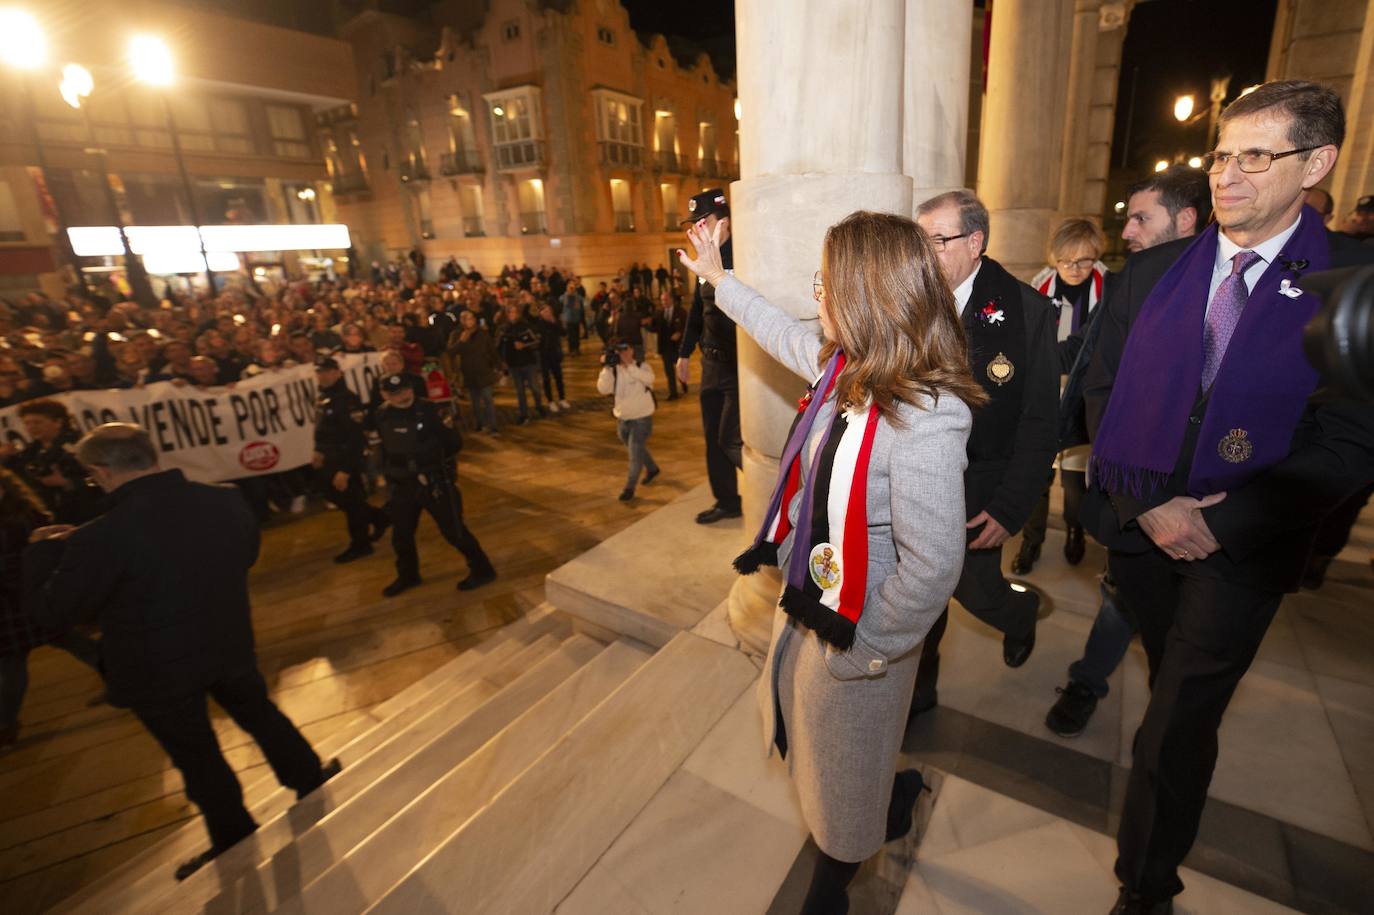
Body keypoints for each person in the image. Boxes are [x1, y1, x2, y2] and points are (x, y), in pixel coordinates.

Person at [1080, 81, 1374, 914]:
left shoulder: (1355, 278)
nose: (1227, 175)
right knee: (1165, 670)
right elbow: (1099, 391)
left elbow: (1352, 439)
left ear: (1317, 163)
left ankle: (1145, 885)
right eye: (1222, 153)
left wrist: (1226, 522)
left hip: (1241, 546)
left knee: (1175, 720)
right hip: (1142, 529)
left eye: (1257, 155)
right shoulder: (1155, 271)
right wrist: (1148, 508)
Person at [680, 210, 984, 915]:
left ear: (864, 292)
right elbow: (780, 330)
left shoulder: (926, 411)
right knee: (832, 755)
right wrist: (719, 279)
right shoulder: (845, 365)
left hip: (860, 627)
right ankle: (896, 793)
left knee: (842, 791)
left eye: (825, 283)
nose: (816, 296)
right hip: (814, 602)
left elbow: (935, 566)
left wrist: (866, 649)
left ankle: (830, 892)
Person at [23, 424, 341, 879]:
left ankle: (233, 837)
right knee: (259, 713)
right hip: (227, 641)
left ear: (101, 471)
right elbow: (241, 555)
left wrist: (40, 556)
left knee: (197, 755)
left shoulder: (101, 537)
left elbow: (54, 611)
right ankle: (309, 778)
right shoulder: (225, 499)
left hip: (155, 669)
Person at [1045, 166, 1210, 739]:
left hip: (1217, 509)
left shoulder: (1241, 290)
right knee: (1122, 598)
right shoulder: (1130, 286)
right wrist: (1146, 501)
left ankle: (1166, 724)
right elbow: (1104, 393)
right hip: (1138, 500)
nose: (1129, 230)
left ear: (1185, 220)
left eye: (1142, 218)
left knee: (1193, 634)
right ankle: (1088, 682)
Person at [910, 190, 1059, 718]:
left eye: (938, 241)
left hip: (982, 483)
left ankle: (1018, 615)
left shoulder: (1027, 310)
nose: (925, 255)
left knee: (975, 589)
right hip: (917, 478)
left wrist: (1010, 507)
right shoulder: (912, 301)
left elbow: (1041, 420)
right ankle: (918, 697)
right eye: (919, 241)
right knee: (921, 597)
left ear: (975, 242)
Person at [1022, 219, 1110, 572]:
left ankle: (1076, 532)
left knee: (1075, 480)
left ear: (1096, 257)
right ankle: (1032, 541)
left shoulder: (1110, 289)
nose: (1074, 270)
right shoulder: (1040, 284)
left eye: (1084, 261)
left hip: (1085, 393)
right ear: (1054, 259)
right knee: (1036, 474)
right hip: (1045, 389)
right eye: (1066, 262)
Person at [373, 374, 495, 597]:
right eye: (394, 394)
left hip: (433, 482)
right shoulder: (382, 414)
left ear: (411, 388)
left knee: (454, 532)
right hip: (402, 484)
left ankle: (483, 569)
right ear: (384, 395)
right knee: (401, 535)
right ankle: (408, 576)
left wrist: (427, 460)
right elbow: (384, 449)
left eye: (404, 390)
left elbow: (454, 444)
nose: (402, 396)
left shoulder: (431, 410)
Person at [676, 188, 743, 525]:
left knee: (730, 438)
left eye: (704, 221)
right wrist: (684, 353)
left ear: (724, 221)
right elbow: (696, 310)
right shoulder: (705, 258)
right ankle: (727, 501)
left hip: (740, 366)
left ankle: (778, 496)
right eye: (695, 223)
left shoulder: (743, 257)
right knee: (712, 440)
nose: (699, 228)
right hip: (711, 365)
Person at [313, 357, 389, 563]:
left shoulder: (347, 400)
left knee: (352, 503)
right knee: (340, 498)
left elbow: (356, 438)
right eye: (320, 372)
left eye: (328, 371)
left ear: (338, 373)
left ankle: (361, 545)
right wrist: (318, 450)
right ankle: (379, 518)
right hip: (329, 457)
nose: (323, 375)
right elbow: (322, 428)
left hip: (345, 458)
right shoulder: (324, 396)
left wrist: (346, 470)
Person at [0, 468, 56, 748]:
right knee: (64, 637)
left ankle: (6, 723)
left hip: (14, 601)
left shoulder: (14, 522)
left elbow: (17, 562)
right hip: (19, 598)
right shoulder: (20, 516)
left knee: (12, 661)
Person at [2, 399, 103, 524]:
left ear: (58, 422)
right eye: (27, 423)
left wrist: (67, 483)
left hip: (85, 515)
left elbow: (101, 478)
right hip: (55, 517)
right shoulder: (31, 451)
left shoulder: (79, 446)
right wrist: (8, 460)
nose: (31, 427)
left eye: (37, 422)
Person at [597, 341, 660, 502]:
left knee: (634, 454)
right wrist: (606, 368)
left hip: (641, 419)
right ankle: (652, 469)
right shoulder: (613, 370)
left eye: (626, 349)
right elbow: (603, 389)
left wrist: (630, 367)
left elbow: (650, 379)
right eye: (620, 351)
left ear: (632, 350)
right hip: (622, 419)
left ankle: (629, 488)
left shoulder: (642, 366)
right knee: (636, 449)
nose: (624, 353)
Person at [448, 310, 501, 434]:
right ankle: (480, 424)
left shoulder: (483, 333)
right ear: (462, 321)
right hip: (469, 373)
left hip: (484, 372)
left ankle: (493, 427)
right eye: (466, 318)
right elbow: (450, 353)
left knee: (488, 401)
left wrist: (499, 365)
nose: (470, 321)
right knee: (475, 402)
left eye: (471, 318)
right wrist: (460, 342)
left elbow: (492, 350)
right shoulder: (456, 334)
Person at [497, 303, 546, 425]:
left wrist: (524, 345)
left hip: (528, 363)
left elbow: (537, 342)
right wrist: (502, 363)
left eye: (514, 312)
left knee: (535, 388)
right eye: (510, 312)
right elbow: (499, 347)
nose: (512, 314)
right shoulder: (504, 329)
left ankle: (539, 406)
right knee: (520, 391)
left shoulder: (526, 326)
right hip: (514, 365)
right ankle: (523, 414)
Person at [536, 303, 570, 412]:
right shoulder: (538, 324)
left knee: (559, 377)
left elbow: (564, 333)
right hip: (544, 355)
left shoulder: (555, 321)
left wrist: (554, 322)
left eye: (549, 311)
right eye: (545, 311)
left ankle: (562, 398)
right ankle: (550, 401)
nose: (548, 313)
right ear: (541, 313)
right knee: (546, 379)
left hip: (555, 353)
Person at [654, 289, 687, 400]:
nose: (664, 302)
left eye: (666, 300)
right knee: (669, 372)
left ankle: (683, 382)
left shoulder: (681, 312)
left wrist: (680, 333)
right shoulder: (659, 313)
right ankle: (673, 393)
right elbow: (655, 327)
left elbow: (687, 327)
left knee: (680, 369)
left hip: (678, 347)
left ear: (672, 300)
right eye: (662, 300)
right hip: (665, 347)